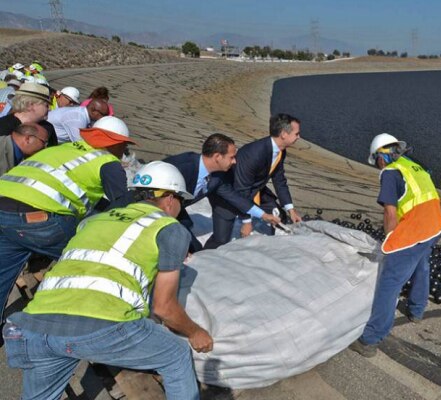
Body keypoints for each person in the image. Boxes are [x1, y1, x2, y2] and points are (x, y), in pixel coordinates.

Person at [3, 161, 212, 399]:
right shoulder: (169, 228)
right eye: (181, 202)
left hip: (33, 328)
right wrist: (195, 332)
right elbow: (164, 307)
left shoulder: (92, 221)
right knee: (175, 354)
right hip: (98, 329)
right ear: (170, 198)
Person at [0, 116, 135, 323]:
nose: (123, 151)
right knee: (88, 260)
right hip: (40, 220)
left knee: (3, 272)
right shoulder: (107, 162)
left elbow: (62, 185)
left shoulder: (58, 150)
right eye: (124, 146)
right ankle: (77, 322)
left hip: (4, 209)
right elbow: (122, 204)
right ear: (115, 143)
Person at [349, 133, 441, 358]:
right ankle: (416, 310)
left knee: (389, 283)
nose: (377, 166)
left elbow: (389, 211)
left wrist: (390, 241)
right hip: (434, 226)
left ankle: (370, 339)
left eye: (377, 161)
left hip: (416, 231)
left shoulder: (390, 173)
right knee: (421, 265)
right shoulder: (413, 166)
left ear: (381, 156)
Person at [162, 133, 276, 252]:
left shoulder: (217, 177)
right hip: (155, 208)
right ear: (217, 157)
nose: (235, 162)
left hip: (175, 209)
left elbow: (234, 197)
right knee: (187, 246)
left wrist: (263, 215)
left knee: (194, 247)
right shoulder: (181, 167)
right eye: (231, 157)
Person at [204, 113, 301, 249]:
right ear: (284, 134)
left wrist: (291, 209)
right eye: (297, 134)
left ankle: (280, 247)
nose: (299, 137)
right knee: (221, 239)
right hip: (230, 193)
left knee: (279, 214)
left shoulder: (280, 151)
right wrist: (246, 221)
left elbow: (279, 180)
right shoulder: (254, 153)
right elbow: (241, 189)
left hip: (255, 190)